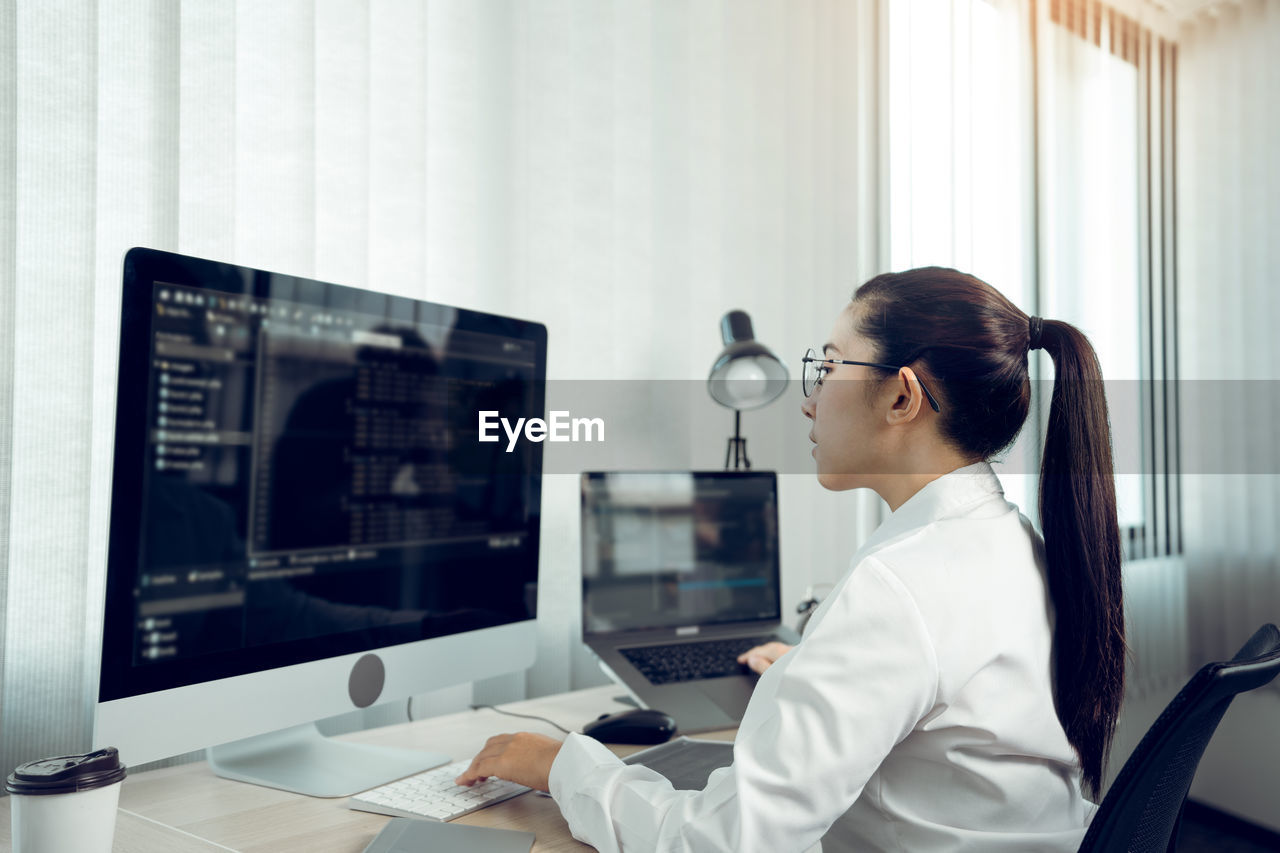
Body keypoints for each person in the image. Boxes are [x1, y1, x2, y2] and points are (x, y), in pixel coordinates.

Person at [456, 267, 1125, 852]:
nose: (809, 397)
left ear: (901, 397)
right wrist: (817, 665)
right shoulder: (1004, 537)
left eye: (830, 364)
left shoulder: (899, 587)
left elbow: (718, 842)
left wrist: (566, 767)